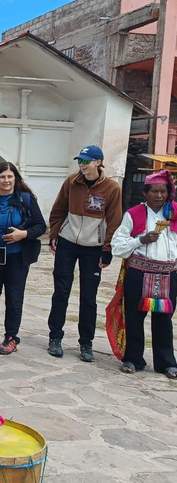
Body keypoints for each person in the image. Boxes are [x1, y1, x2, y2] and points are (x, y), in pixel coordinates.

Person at [47, 145, 122, 362]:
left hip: (94, 248)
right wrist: (54, 235)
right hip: (68, 243)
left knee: (88, 297)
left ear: (98, 162)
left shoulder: (111, 188)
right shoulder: (72, 181)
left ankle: (86, 343)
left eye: (86, 161)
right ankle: (55, 337)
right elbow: (58, 209)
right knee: (61, 291)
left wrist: (107, 250)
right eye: (80, 160)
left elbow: (114, 221)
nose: (82, 165)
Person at [109, 170, 177, 379]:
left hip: (167, 274)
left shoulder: (174, 214)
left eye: (162, 191)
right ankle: (133, 358)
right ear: (145, 193)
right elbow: (117, 246)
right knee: (134, 316)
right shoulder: (133, 214)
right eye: (154, 191)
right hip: (139, 273)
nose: (159, 196)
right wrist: (140, 240)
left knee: (164, 319)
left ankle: (166, 363)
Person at [0, 162, 46, 355]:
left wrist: (23, 234)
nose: (6, 180)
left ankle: (11, 337)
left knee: (14, 299)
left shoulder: (26, 199)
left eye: (10, 177)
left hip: (16, 259)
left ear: (16, 178)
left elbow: (40, 226)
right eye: (2, 177)